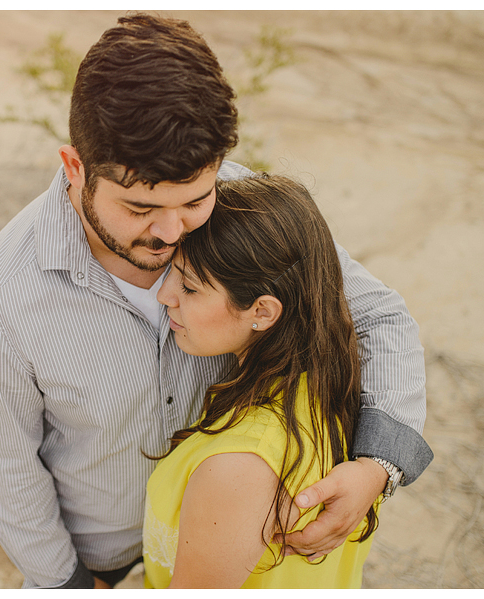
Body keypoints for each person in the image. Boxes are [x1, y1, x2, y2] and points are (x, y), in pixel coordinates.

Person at [0, 13, 432, 589]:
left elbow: (378, 315)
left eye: (195, 200)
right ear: (75, 167)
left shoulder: (241, 203)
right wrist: (67, 582)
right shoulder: (2, 294)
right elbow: (4, 463)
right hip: (102, 561)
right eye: (139, 209)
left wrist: (377, 467)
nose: (173, 230)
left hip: (229, 544)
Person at [144, 174, 380, 589]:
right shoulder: (333, 383)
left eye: (191, 287)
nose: (165, 295)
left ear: (263, 312)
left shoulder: (239, 467)